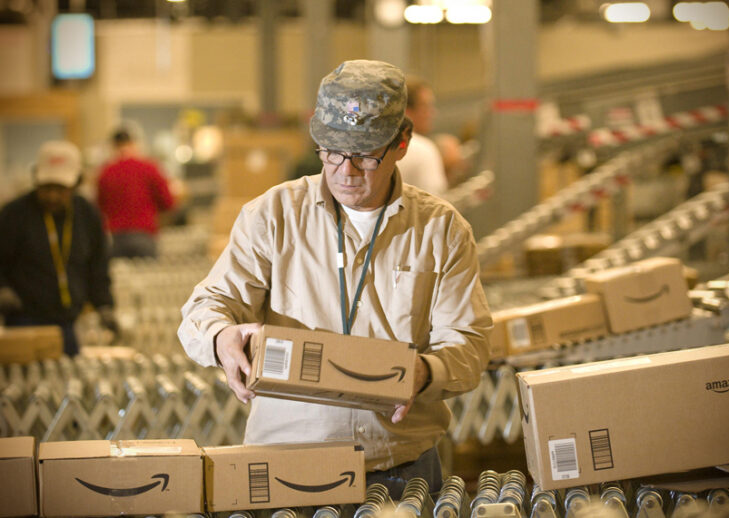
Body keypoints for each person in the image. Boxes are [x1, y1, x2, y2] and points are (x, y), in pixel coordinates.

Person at [178, 60, 491, 498]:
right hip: (287, 465)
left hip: (399, 468)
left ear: (401, 142)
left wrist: (424, 372)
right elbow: (206, 306)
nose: (345, 170)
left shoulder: (440, 230)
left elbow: (470, 344)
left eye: (364, 155)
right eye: (332, 152)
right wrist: (219, 337)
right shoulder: (273, 216)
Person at [0, 140, 117, 356]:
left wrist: (104, 305)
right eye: (46, 188)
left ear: (76, 184)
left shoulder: (87, 214)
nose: (53, 196)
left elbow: (98, 265)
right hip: (24, 321)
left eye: (61, 189)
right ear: (36, 179)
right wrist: (3, 289)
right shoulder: (13, 214)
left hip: (69, 323)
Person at [97, 127, 175, 258]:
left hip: (117, 237)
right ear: (134, 143)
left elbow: (100, 207)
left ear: (113, 146)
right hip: (144, 234)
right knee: (147, 271)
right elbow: (168, 202)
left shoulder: (106, 172)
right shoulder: (149, 168)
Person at [396, 76, 449, 196]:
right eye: (426, 106)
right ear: (406, 110)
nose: (432, 113)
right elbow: (434, 201)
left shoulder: (376, 147)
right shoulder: (423, 150)